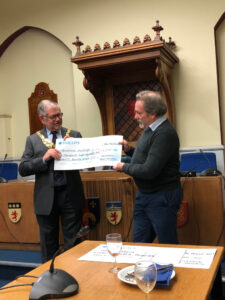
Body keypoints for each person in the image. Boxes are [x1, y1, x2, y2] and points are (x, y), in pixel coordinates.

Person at [19, 100, 85, 262]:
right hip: (46, 198)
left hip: (71, 195)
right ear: (42, 119)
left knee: (74, 242)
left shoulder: (74, 135)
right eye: (53, 116)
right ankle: (49, 281)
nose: (58, 119)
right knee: (48, 245)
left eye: (60, 115)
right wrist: (44, 158)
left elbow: (85, 163)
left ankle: (75, 277)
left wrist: (74, 150)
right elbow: (23, 168)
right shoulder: (33, 140)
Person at [113, 90, 182, 244]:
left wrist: (123, 166)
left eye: (138, 113)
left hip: (162, 197)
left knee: (167, 244)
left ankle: (170, 269)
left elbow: (149, 170)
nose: (135, 116)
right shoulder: (150, 129)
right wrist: (129, 149)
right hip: (145, 196)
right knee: (139, 245)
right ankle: (143, 270)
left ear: (153, 114)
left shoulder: (164, 133)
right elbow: (145, 157)